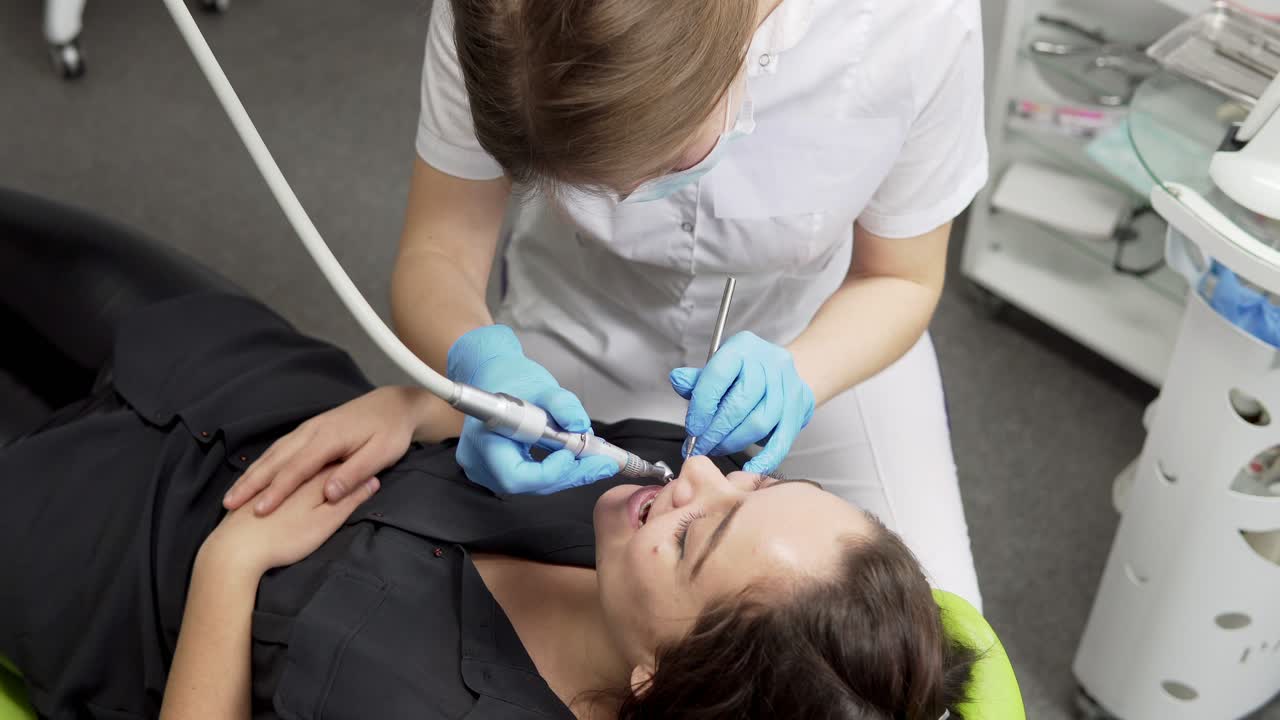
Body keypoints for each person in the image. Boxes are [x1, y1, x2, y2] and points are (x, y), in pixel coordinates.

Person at [0, 189, 977, 718]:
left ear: (654, 680)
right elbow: (488, 415)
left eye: (697, 539)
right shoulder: (646, 499)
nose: (694, 476)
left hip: (95, 559)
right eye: (748, 484)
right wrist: (420, 406)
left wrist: (232, 566)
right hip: (232, 379)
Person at [227, 0, 988, 609]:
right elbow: (439, 250)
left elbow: (902, 279)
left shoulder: (914, 21)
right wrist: (474, 364)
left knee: (931, 638)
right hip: (571, 332)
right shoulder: (501, 17)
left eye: (658, 168)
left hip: (822, 336)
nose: (625, 199)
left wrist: (803, 374)